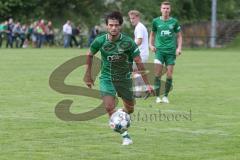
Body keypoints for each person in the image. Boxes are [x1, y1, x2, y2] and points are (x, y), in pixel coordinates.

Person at [84, 11, 154, 145]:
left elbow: (139, 63)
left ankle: (121, 113)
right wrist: (88, 75)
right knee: (109, 107)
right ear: (106, 26)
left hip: (124, 79)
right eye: (111, 25)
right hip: (107, 78)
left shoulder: (128, 42)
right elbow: (89, 55)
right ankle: (125, 135)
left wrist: (147, 84)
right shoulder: (100, 41)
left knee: (131, 109)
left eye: (116, 25)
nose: (113, 28)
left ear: (120, 26)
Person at [149, 1, 182, 104]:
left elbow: (179, 36)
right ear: (161, 9)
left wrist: (179, 48)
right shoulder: (155, 21)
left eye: (167, 8)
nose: (165, 10)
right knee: (158, 74)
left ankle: (165, 96)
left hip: (171, 52)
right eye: (164, 8)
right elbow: (152, 35)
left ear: (170, 10)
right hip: (159, 52)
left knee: (169, 75)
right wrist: (151, 45)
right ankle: (158, 97)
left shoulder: (174, 22)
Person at [128, 10, 149, 97]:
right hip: (142, 53)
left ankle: (138, 93)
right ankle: (145, 89)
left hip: (141, 53)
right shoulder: (139, 27)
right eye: (130, 18)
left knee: (136, 72)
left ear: (138, 18)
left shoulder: (139, 27)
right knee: (137, 72)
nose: (132, 20)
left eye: (133, 18)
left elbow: (139, 41)